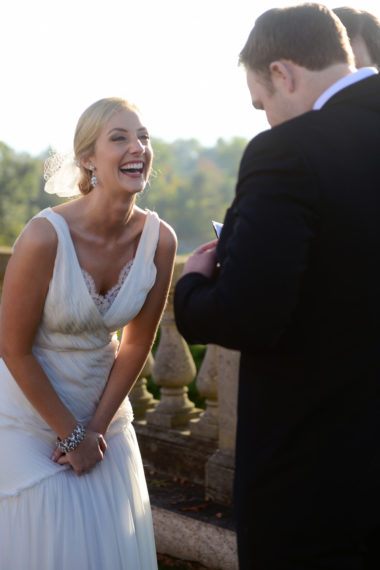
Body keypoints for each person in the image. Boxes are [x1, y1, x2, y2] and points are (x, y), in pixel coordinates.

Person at [174, 4, 380, 569]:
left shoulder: (288, 151)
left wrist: (191, 290)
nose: (265, 118)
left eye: (262, 102)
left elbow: (248, 314)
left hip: (317, 484)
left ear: (283, 73)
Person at [0, 97, 177, 569]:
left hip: (104, 418)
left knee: (106, 547)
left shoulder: (161, 241)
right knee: (49, 541)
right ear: (87, 159)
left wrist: (95, 428)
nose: (137, 146)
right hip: (27, 413)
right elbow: (13, 349)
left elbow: (138, 341)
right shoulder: (43, 237)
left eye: (143, 136)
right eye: (118, 138)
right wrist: (70, 434)